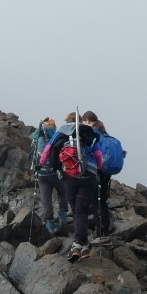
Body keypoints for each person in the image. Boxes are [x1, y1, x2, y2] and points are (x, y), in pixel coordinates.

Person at [38, 111, 103, 260]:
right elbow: (98, 154)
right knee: (82, 211)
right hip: (89, 174)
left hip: (70, 175)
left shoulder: (61, 131)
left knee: (76, 211)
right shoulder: (87, 131)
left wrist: (40, 165)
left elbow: (47, 150)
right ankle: (83, 246)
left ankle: (78, 243)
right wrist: (98, 169)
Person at [31, 118, 69, 235]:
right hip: (54, 172)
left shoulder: (36, 139)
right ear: (53, 127)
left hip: (41, 174)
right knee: (62, 191)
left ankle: (49, 225)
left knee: (46, 199)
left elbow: (32, 156)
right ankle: (63, 215)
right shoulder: (55, 137)